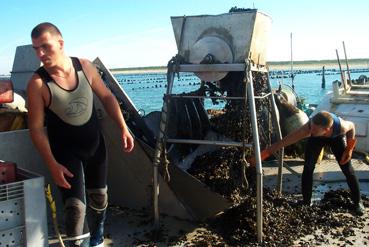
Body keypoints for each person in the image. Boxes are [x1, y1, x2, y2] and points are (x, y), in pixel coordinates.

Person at [27, 22, 134, 247]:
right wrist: (52, 164)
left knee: (100, 197)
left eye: (45, 46)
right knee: (75, 208)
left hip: (95, 145)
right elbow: (36, 129)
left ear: (61, 43)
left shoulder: (84, 67)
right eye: (36, 48)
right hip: (65, 153)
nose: (40, 53)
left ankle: (97, 235)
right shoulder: (37, 83)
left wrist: (123, 127)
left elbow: (106, 97)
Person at [254, 111, 364, 215]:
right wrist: (264, 154)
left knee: (347, 169)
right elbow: (285, 141)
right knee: (308, 168)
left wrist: (349, 148)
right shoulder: (310, 128)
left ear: (326, 129)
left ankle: (357, 202)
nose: (310, 131)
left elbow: (352, 127)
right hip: (317, 139)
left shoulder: (342, 127)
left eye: (314, 130)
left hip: (336, 138)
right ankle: (306, 202)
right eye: (311, 127)